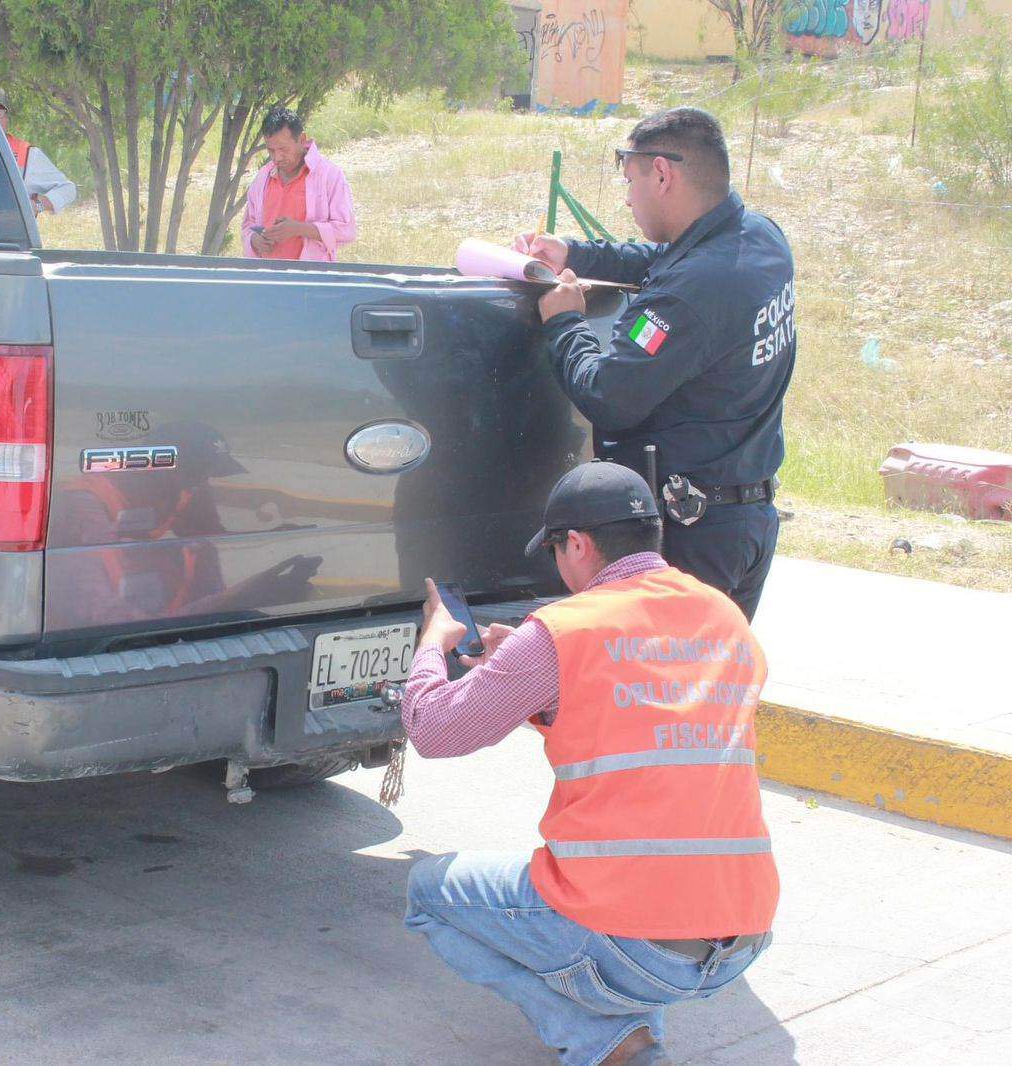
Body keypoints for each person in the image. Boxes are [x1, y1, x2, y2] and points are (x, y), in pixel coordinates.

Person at [401, 461, 779, 1066]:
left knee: (428, 893)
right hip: (742, 935)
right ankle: (622, 1014)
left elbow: (434, 731)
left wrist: (433, 643)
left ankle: (608, 1043)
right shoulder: (723, 617)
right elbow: (644, 713)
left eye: (556, 549)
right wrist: (528, 681)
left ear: (576, 543)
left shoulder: (562, 630)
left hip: (637, 943)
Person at [518, 107, 795, 619]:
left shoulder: (690, 295)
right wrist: (576, 251)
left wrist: (565, 323)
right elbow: (664, 261)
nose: (627, 198)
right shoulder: (760, 239)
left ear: (662, 174)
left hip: (693, 536)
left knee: (664, 692)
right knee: (714, 694)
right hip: (746, 518)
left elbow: (609, 396)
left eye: (631, 181)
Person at [241, 106, 357, 262]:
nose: (277, 158)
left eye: (283, 149)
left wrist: (298, 229)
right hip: (267, 279)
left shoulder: (329, 176)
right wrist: (255, 239)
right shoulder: (264, 177)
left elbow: (346, 230)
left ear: (302, 140)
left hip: (310, 281)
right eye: (271, 151)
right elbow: (249, 225)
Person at [0, 85, 76, 218]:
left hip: (12, 237)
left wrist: (37, 205)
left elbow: (68, 190)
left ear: (6, 117)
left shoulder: (27, 154)